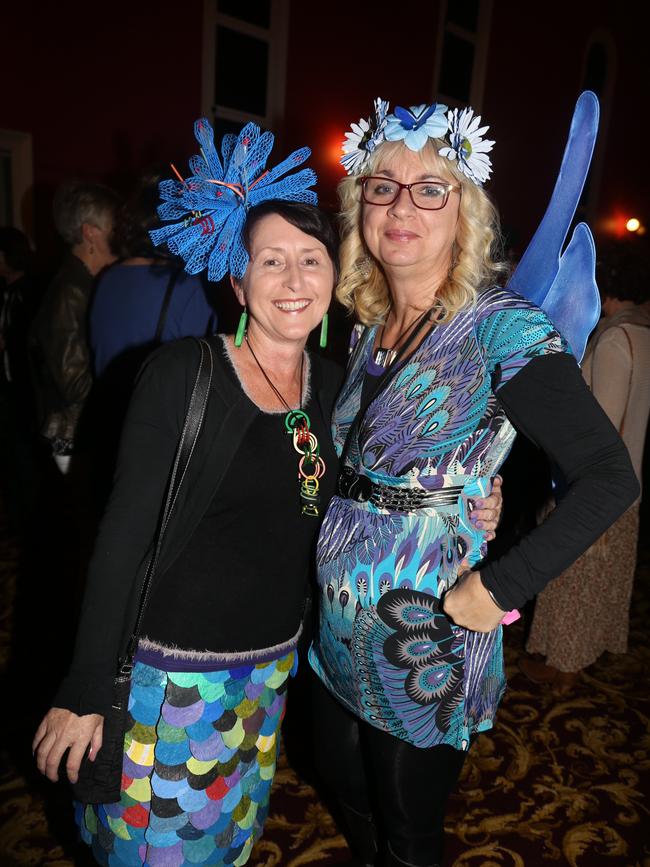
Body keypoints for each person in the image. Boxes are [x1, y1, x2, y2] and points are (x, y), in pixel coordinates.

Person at [31, 119, 502, 867]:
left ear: (334, 272)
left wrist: (476, 500)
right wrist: (85, 684)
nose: (294, 281)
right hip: (172, 680)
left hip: (273, 675)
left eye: (311, 259)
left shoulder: (337, 388)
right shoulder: (183, 374)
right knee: (156, 854)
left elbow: (378, 491)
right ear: (236, 278)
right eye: (271, 261)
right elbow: (120, 539)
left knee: (232, 848)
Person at [307, 98, 639, 867]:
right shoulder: (365, 321)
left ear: (466, 211)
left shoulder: (502, 325)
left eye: (432, 187)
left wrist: (497, 586)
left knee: (409, 824)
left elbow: (608, 475)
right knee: (343, 785)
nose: (402, 205)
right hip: (334, 618)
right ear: (361, 206)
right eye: (383, 185)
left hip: (422, 625)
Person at [521, 238, 650, 690]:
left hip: (599, 479)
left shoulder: (617, 337)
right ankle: (580, 656)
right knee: (600, 577)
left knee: (574, 571)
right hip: (632, 476)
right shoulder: (644, 331)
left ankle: (563, 666)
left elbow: (603, 422)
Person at [88, 168, 217, 507]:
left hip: (109, 428)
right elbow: (203, 378)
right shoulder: (185, 287)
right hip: (159, 440)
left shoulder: (107, 279)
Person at [30, 181, 120, 474]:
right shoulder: (70, 290)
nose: (121, 236)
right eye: (114, 228)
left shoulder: (87, 282)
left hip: (86, 427)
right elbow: (73, 383)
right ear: (90, 233)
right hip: (73, 433)